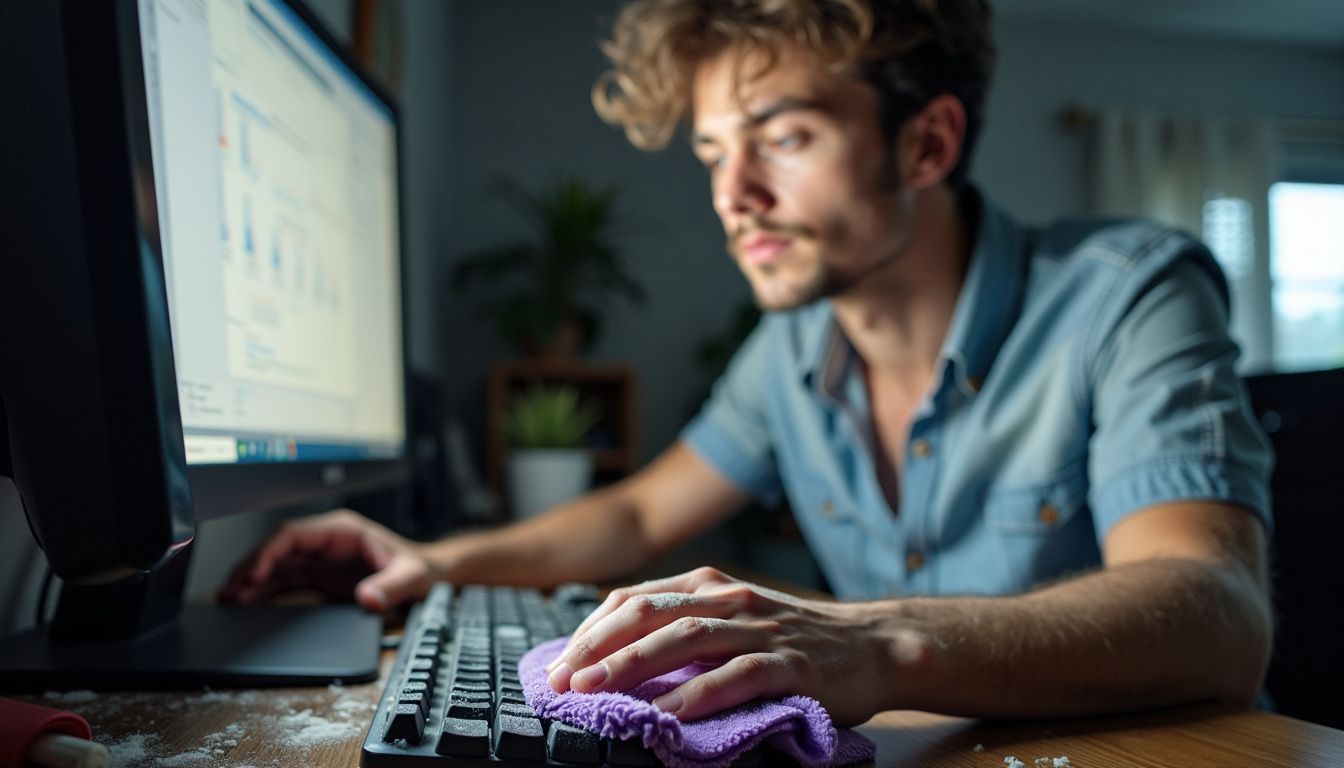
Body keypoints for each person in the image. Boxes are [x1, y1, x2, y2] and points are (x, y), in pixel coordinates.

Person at [222, 0, 1273, 727]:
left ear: (928, 144)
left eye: (785, 138)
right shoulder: (791, 350)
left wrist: (879, 642)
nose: (734, 196)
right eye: (717, 153)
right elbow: (635, 517)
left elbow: (1218, 611)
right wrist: (435, 561)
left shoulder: (1129, 291)